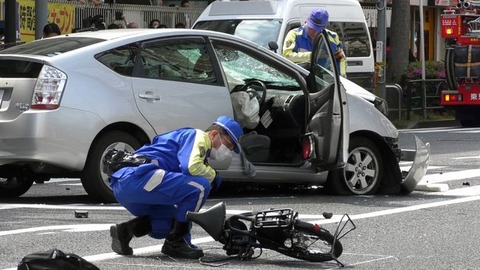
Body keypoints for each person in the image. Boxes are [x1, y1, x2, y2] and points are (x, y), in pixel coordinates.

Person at [109, 116, 243, 259]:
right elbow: (191, 166)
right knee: (200, 186)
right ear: (214, 134)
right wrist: (213, 176)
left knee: (171, 222)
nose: (228, 150)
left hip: (124, 185)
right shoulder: (198, 136)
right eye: (229, 145)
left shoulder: (192, 146)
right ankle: (176, 243)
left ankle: (125, 231)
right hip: (138, 177)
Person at [282, 8, 347, 77]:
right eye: (312, 28)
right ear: (307, 22)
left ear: (324, 27)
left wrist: (341, 76)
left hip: (323, 81)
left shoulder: (333, 38)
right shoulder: (294, 34)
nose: (314, 32)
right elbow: (286, 56)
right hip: (300, 79)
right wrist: (312, 55)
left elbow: (341, 59)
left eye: (318, 30)